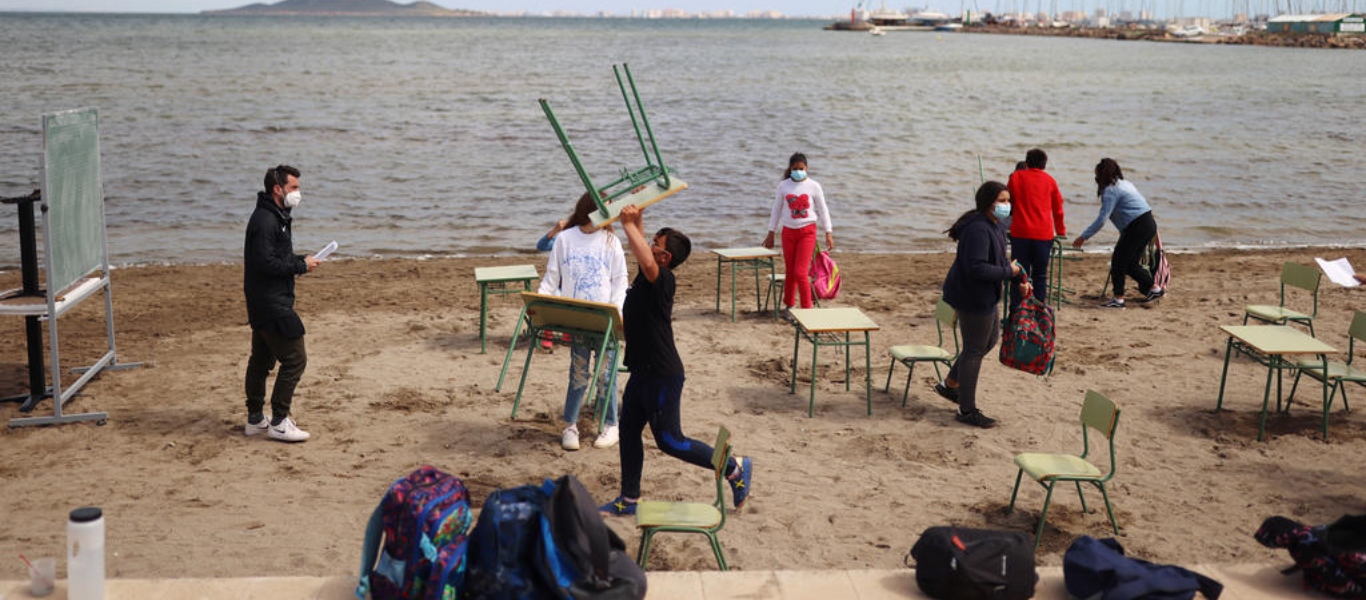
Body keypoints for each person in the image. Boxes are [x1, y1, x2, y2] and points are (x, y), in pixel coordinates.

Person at [600, 204, 753, 516]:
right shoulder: (647, 275)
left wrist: (626, 224)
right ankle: (629, 499)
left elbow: (645, 257)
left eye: (655, 244)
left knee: (671, 441)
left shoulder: (664, 280)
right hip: (641, 373)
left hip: (662, 375)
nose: (649, 246)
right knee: (628, 431)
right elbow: (644, 253)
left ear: (665, 257)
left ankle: (735, 468)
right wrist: (637, 218)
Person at [933, 181, 1030, 429]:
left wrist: (1018, 277)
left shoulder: (995, 225)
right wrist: (1008, 272)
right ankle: (967, 410)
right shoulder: (978, 229)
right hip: (972, 296)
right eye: (1001, 201)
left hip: (987, 295)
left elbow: (1000, 261)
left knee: (988, 341)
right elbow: (976, 268)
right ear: (988, 203)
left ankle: (950, 384)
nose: (1006, 205)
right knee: (974, 349)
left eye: (1008, 201)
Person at [538, 192, 629, 451]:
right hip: (576, 318)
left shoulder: (611, 241)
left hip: (605, 319)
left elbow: (620, 280)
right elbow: (551, 277)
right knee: (578, 374)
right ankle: (570, 425)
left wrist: (618, 312)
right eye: (606, 208)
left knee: (606, 375)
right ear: (591, 209)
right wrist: (541, 306)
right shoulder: (565, 238)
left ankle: (611, 425)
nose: (609, 214)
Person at [243, 165, 320, 443]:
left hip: (265, 300)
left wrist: (301, 260)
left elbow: (276, 257)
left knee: (261, 361)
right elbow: (265, 263)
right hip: (270, 302)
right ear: (278, 189)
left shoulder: (278, 216)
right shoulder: (266, 220)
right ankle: (278, 421)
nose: (298, 193)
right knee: (295, 359)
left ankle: (255, 420)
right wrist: (300, 265)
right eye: (294, 188)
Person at [1072, 158, 1164, 309]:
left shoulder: (1110, 191)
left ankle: (1118, 299)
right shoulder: (1125, 183)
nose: (1096, 179)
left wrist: (1083, 237)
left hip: (1137, 226)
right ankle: (1154, 288)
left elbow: (1102, 219)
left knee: (1118, 262)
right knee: (1130, 264)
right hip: (1148, 223)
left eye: (1097, 176)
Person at [762, 152, 835, 317]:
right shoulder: (783, 186)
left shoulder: (814, 186)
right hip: (788, 232)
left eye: (801, 169)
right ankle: (789, 306)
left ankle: (807, 310)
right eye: (795, 169)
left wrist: (828, 232)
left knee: (800, 272)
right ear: (790, 169)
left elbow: (823, 210)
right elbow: (776, 210)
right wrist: (771, 232)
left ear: (806, 168)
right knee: (790, 271)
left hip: (807, 232)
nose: (798, 172)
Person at [1006, 148, 1066, 311]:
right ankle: (1038, 312)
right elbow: (1058, 209)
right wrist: (1061, 230)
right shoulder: (1050, 181)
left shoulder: (1016, 177)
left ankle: (1016, 312)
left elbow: (1009, 201)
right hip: (1043, 234)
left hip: (1020, 233)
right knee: (1040, 275)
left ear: (1026, 163)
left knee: (1018, 274)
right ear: (1044, 165)